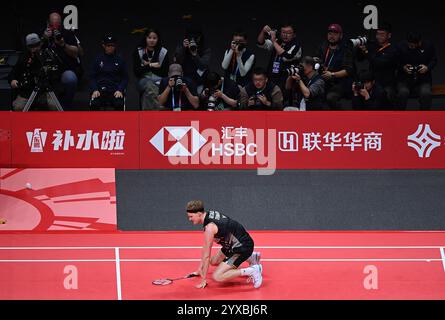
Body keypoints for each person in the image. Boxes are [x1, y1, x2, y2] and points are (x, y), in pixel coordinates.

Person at [186, 200, 262, 289]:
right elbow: (205, 249)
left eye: (191, 216)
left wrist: (203, 280)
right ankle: (251, 257)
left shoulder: (210, 228)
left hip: (242, 247)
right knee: (213, 261)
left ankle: (253, 271)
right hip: (231, 244)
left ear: (199, 214)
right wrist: (199, 270)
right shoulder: (209, 214)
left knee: (217, 276)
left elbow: (206, 255)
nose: (190, 219)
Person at [41, 12, 83, 107]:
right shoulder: (42, 33)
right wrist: (43, 38)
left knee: (70, 78)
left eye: (57, 25)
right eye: (52, 25)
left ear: (61, 23)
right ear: (48, 23)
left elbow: (76, 53)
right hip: (45, 70)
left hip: (63, 69)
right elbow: (33, 50)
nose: (55, 28)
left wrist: (63, 44)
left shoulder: (67, 33)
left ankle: (65, 106)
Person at [8, 33, 59, 111]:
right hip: (27, 92)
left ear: (40, 44)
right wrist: (13, 80)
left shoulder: (46, 54)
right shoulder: (24, 58)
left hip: (44, 92)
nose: (35, 48)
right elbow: (13, 73)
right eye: (32, 46)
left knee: (55, 106)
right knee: (18, 107)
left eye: (37, 45)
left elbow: (56, 72)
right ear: (28, 47)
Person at [355, 22, 398, 108]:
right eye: (378, 34)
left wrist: (366, 52)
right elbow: (359, 59)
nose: (379, 36)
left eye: (382, 34)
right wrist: (360, 49)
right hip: (372, 82)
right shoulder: (372, 45)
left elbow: (379, 63)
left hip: (387, 83)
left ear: (389, 35)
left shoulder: (393, 49)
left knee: (388, 98)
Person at [314, 24, 353, 110]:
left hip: (340, 82)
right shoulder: (323, 46)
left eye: (335, 34)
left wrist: (332, 74)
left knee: (331, 97)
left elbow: (348, 70)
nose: (332, 36)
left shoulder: (346, 49)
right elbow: (317, 61)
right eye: (330, 33)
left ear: (341, 35)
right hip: (324, 80)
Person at [396, 31, 437, 110]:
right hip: (404, 79)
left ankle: (423, 118)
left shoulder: (428, 46)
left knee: (426, 93)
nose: (410, 46)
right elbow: (395, 61)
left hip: (423, 79)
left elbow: (434, 60)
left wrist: (427, 67)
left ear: (419, 42)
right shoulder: (400, 46)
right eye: (409, 44)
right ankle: (399, 116)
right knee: (402, 93)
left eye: (413, 45)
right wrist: (403, 67)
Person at [256, 23, 302, 92]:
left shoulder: (296, 45)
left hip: (286, 79)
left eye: (289, 33)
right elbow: (260, 44)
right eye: (283, 32)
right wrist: (263, 31)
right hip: (272, 76)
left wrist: (274, 41)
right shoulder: (278, 41)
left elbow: (287, 57)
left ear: (294, 35)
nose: (285, 35)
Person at [89, 34, 128, 110]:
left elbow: (125, 78)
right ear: (104, 46)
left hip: (115, 90)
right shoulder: (97, 59)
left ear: (115, 46)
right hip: (100, 90)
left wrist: (120, 90)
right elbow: (92, 76)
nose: (110, 48)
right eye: (108, 45)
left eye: (112, 46)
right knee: (94, 104)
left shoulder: (120, 60)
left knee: (119, 104)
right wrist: (95, 89)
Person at [133, 28, 169, 110]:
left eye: (154, 38)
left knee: (148, 93)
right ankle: (159, 109)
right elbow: (137, 72)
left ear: (158, 39)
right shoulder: (139, 51)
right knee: (149, 84)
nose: (151, 40)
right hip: (143, 81)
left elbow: (164, 72)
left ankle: (146, 115)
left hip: (159, 80)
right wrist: (151, 65)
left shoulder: (163, 52)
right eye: (149, 38)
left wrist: (146, 66)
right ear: (145, 38)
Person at [175, 25, 211, 92]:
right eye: (190, 38)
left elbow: (203, 66)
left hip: (200, 81)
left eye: (195, 38)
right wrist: (183, 49)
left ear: (200, 37)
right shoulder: (182, 45)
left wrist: (195, 54)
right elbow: (177, 62)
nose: (192, 40)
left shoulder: (205, 48)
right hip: (185, 80)